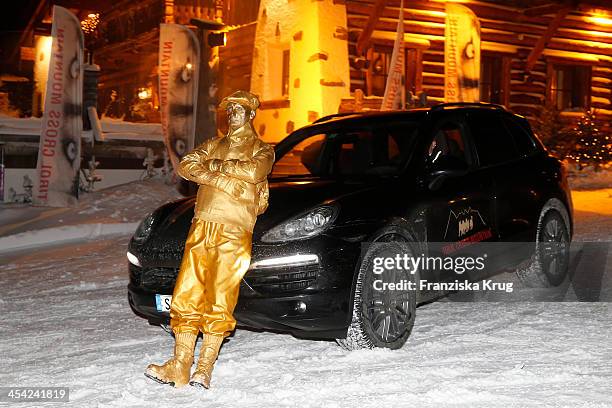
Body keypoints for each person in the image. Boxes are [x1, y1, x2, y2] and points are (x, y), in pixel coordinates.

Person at [144, 90, 274, 389]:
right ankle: (180, 365)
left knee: (221, 295)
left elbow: (255, 171)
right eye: (230, 110)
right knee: (187, 292)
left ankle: (204, 368)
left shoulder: (262, 149)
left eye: (239, 109)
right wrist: (223, 179)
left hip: (234, 227)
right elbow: (186, 165)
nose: (233, 114)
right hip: (202, 223)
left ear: (252, 113)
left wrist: (212, 168)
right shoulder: (213, 144)